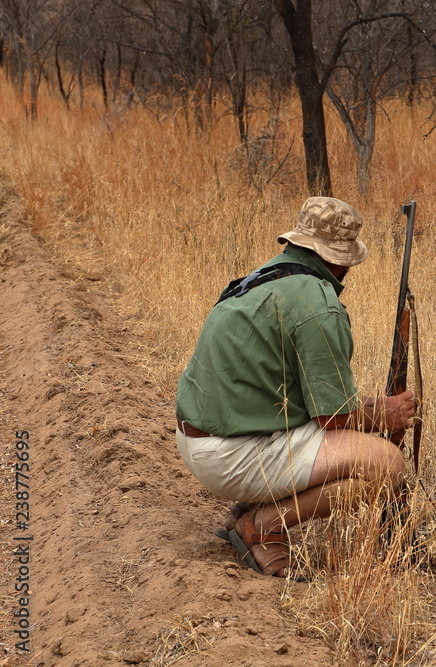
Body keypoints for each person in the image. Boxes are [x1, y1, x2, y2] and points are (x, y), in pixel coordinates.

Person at [175, 196, 416, 580]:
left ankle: (248, 509)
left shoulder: (263, 277)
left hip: (198, 441)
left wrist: (371, 409)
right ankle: (262, 526)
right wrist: (385, 413)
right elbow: (333, 415)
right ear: (340, 260)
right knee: (386, 464)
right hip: (229, 454)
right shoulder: (318, 304)